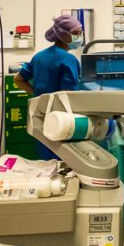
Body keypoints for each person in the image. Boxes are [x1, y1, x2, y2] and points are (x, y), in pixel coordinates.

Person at [14, 14, 83, 159]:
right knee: (64, 163)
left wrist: (37, 94)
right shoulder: (68, 59)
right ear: (64, 35)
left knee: (47, 164)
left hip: (41, 118)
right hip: (61, 121)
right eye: (76, 33)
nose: (80, 36)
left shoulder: (39, 56)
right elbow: (69, 95)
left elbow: (18, 79)